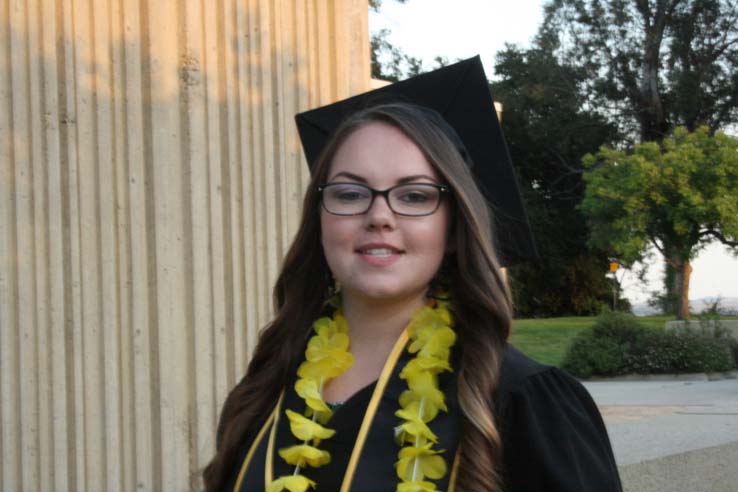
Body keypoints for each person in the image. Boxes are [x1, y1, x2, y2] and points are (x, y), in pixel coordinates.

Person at [203, 57, 622, 492]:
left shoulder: (518, 401)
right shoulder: (265, 388)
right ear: (320, 220)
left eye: (415, 195)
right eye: (350, 193)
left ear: (455, 226)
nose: (379, 216)